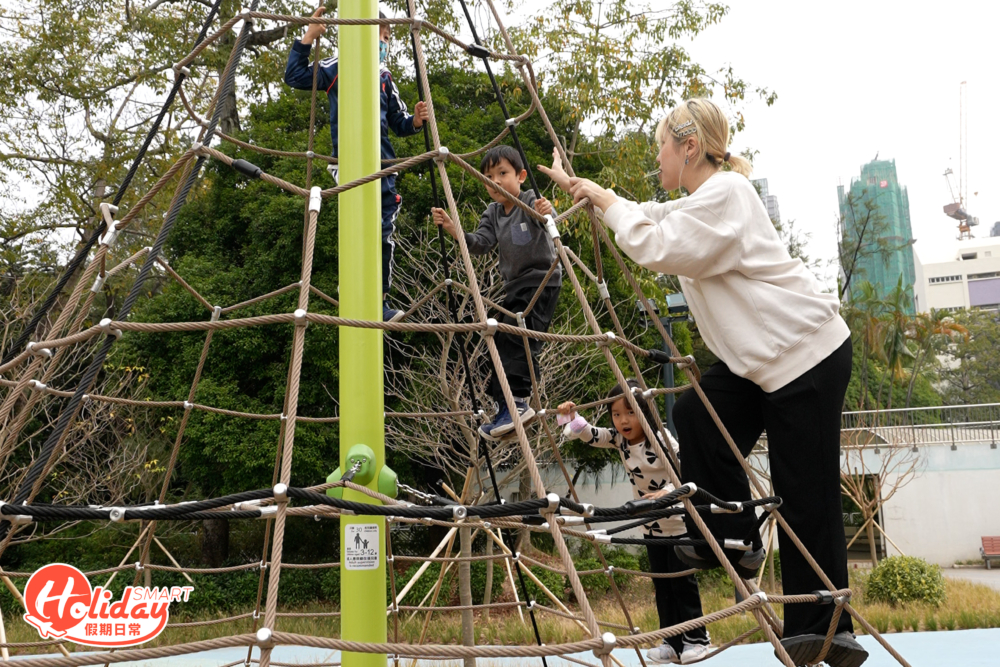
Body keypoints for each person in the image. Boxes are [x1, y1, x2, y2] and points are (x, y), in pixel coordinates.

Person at [540, 99, 866, 667]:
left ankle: (826, 628)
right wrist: (593, 192)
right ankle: (735, 533)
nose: (656, 156)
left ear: (689, 147)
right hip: (759, 366)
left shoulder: (729, 194)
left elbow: (659, 246)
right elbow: (654, 218)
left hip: (805, 353)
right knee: (695, 415)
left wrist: (613, 206)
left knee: (804, 486)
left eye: (661, 145)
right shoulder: (696, 203)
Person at [284, 7, 429, 322]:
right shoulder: (338, 66)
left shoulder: (384, 76)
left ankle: (379, 301)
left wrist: (415, 121)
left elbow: (398, 120)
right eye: (383, 36)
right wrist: (308, 36)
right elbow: (294, 76)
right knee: (356, 228)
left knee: (383, 231)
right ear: (360, 33)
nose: (385, 44)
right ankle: (349, 286)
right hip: (350, 166)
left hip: (384, 168)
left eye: (388, 39)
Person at [559, 381, 711, 665]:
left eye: (630, 412)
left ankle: (697, 638)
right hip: (650, 526)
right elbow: (592, 435)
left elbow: (686, 469)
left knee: (682, 584)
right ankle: (671, 640)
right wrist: (571, 418)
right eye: (616, 415)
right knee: (662, 586)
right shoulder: (620, 440)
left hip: (677, 522)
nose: (623, 421)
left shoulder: (660, 438)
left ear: (644, 411)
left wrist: (665, 494)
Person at [432, 145, 559, 440]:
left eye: (502, 173)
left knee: (517, 340)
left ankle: (518, 402)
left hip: (541, 282)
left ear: (521, 176)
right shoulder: (492, 212)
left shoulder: (528, 200)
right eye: (489, 176)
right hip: (514, 287)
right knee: (497, 342)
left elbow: (547, 218)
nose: (495, 181)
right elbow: (480, 243)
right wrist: (454, 230)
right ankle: (507, 409)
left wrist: (547, 209)